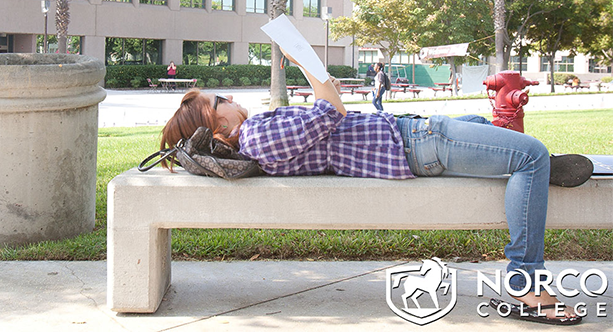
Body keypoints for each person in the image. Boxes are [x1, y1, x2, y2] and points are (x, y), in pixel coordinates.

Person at [160, 49, 592, 326]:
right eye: (220, 102)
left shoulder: (256, 131)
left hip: (412, 135)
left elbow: (324, 117)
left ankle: (532, 174)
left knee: (482, 127)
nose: (230, 100)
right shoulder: (256, 137)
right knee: (531, 153)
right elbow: (332, 110)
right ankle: (528, 286)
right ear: (218, 129)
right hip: (420, 143)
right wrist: (306, 62)